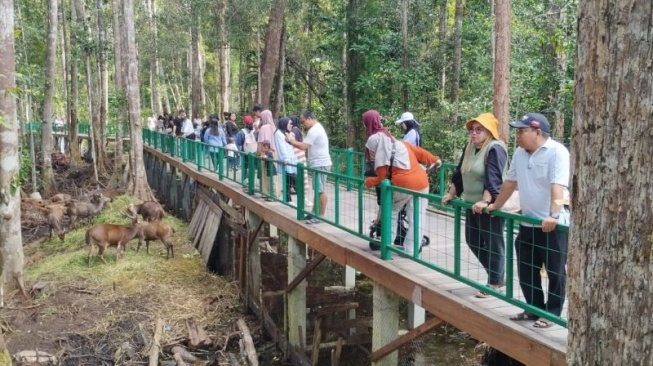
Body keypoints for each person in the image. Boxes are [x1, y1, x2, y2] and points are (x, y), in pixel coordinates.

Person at [487, 113, 570, 329]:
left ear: (538, 132)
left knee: (555, 271)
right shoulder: (520, 153)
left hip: (553, 225)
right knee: (526, 267)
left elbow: (558, 186)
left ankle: (551, 314)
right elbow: (510, 182)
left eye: (522, 131)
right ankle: (533, 308)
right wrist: (496, 205)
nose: (519, 136)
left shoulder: (557, 152)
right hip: (527, 221)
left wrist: (554, 214)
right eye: (518, 131)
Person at [442, 113, 508, 298]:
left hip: (489, 206)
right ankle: (498, 275)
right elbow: (460, 172)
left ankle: (495, 282)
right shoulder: (470, 147)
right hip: (471, 204)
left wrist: (486, 201)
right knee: (473, 240)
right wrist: (452, 193)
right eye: (472, 130)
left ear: (489, 131)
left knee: (494, 243)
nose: (474, 133)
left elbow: (493, 177)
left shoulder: (495, 148)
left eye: (479, 130)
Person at [363, 110, 441, 255]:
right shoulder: (402, 144)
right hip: (422, 182)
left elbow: (382, 179)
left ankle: (388, 245)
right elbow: (421, 153)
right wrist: (435, 159)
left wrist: (368, 181)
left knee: (391, 211)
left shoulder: (381, 155)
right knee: (417, 217)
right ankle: (411, 251)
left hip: (403, 185)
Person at [285, 110, 332, 224]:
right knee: (317, 189)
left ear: (309, 118)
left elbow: (303, 146)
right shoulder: (316, 128)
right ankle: (313, 213)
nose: (302, 124)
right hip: (318, 163)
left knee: (320, 190)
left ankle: (320, 216)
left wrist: (291, 141)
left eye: (303, 121)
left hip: (320, 163)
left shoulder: (314, 130)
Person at [257, 110, 279, 197]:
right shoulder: (273, 127)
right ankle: (275, 193)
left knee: (265, 173)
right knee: (273, 173)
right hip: (273, 153)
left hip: (265, 153)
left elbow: (261, 142)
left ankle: (265, 192)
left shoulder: (264, 127)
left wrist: (259, 152)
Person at [275, 117, 298, 203]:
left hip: (291, 159)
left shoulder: (287, 133)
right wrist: (286, 158)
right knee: (291, 181)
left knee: (290, 181)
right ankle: (289, 200)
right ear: (284, 124)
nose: (291, 125)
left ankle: (288, 200)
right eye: (290, 123)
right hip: (286, 160)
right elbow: (281, 147)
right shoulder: (278, 134)